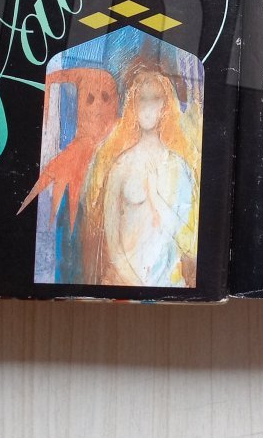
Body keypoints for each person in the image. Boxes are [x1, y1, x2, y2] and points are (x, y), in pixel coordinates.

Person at [81, 69, 200, 287]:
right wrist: (134, 283)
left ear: (165, 106)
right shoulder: (120, 166)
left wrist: (156, 196)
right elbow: (112, 242)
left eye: (155, 98)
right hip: (126, 282)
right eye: (142, 99)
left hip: (171, 284)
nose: (147, 107)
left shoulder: (180, 167)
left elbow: (189, 242)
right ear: (133, 106)